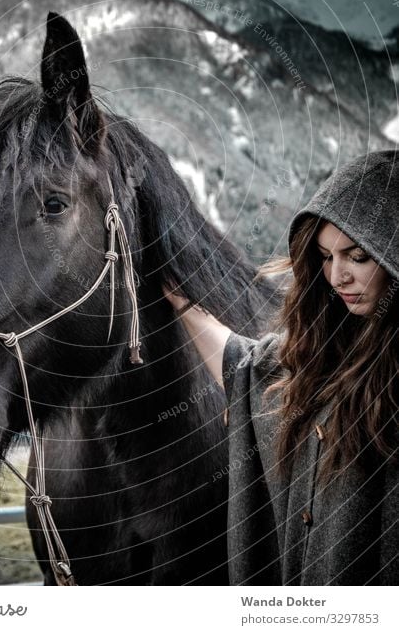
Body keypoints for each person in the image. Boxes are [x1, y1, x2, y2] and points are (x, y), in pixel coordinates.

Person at [165, 150, 398, 585]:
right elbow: (248, 369)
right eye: (326, 257)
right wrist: (179, 298)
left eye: (357, 257)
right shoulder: (324, 352)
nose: (337, 276)